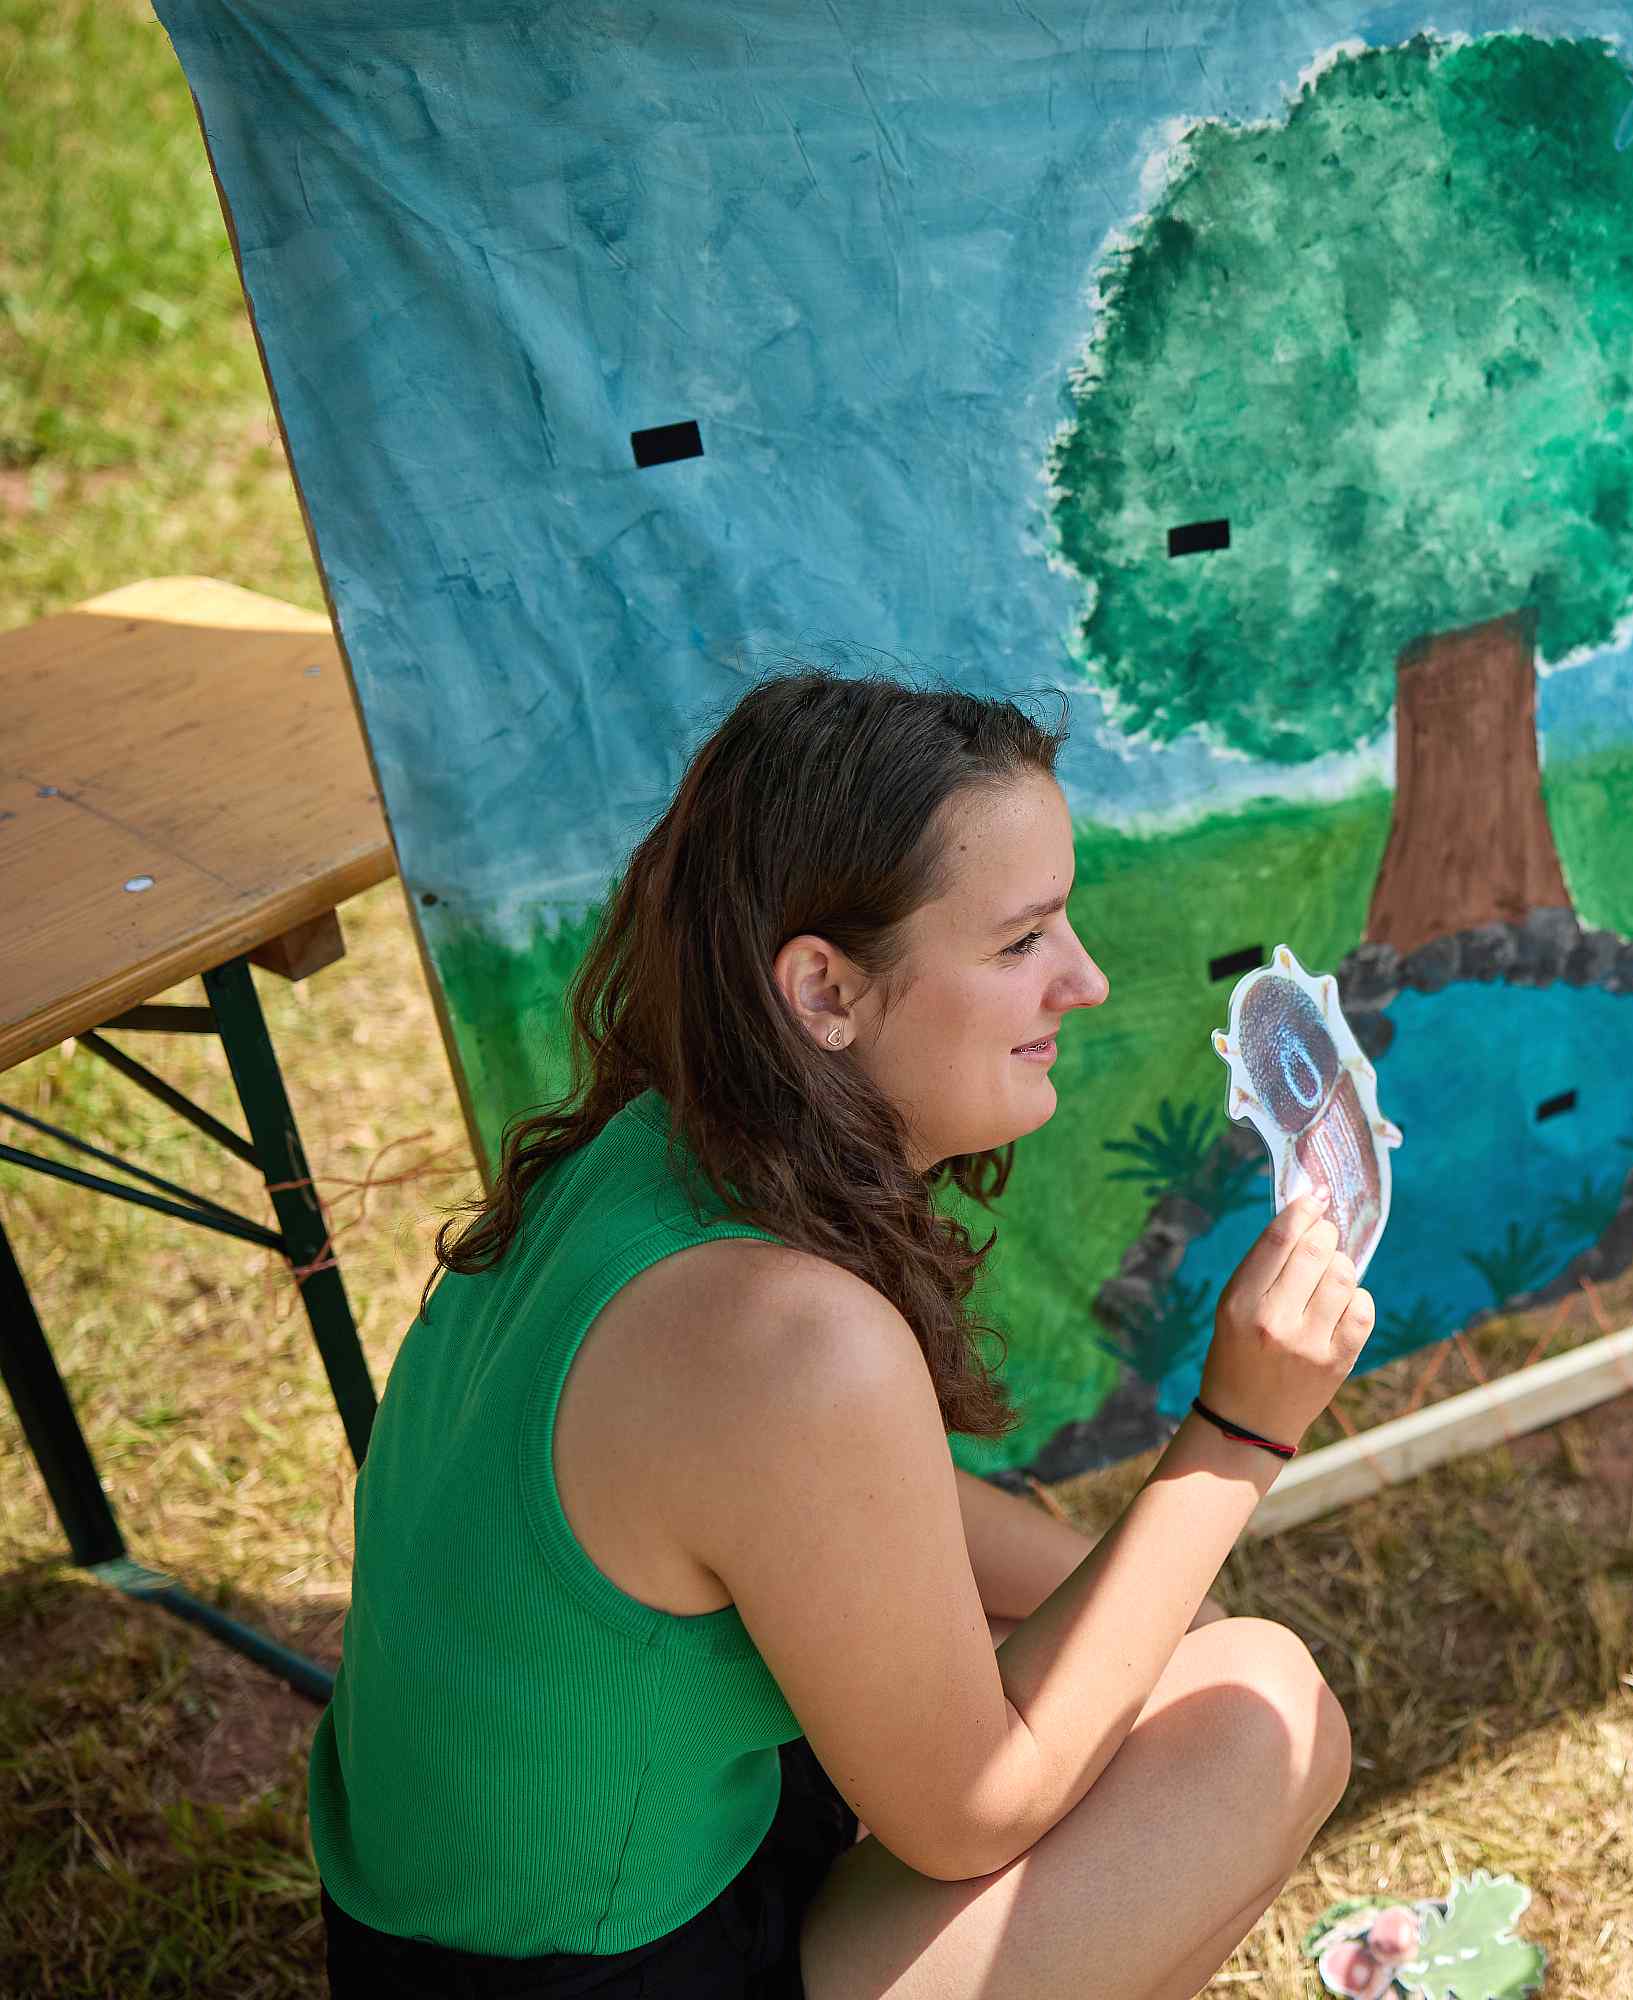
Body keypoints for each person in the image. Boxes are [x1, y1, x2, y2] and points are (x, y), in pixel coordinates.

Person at [307, 674, 1374, 1998]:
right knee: (1266, 1712)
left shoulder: (653, 1149)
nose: (1086, 980)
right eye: (1020, 942)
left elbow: (854, 1504)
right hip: (592, 1979)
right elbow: (973, 1812)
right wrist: (1239, 1430)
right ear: (824, 988)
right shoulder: (790, 1341)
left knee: (1179, 1645)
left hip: (455, 1936)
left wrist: (1161, 1609)